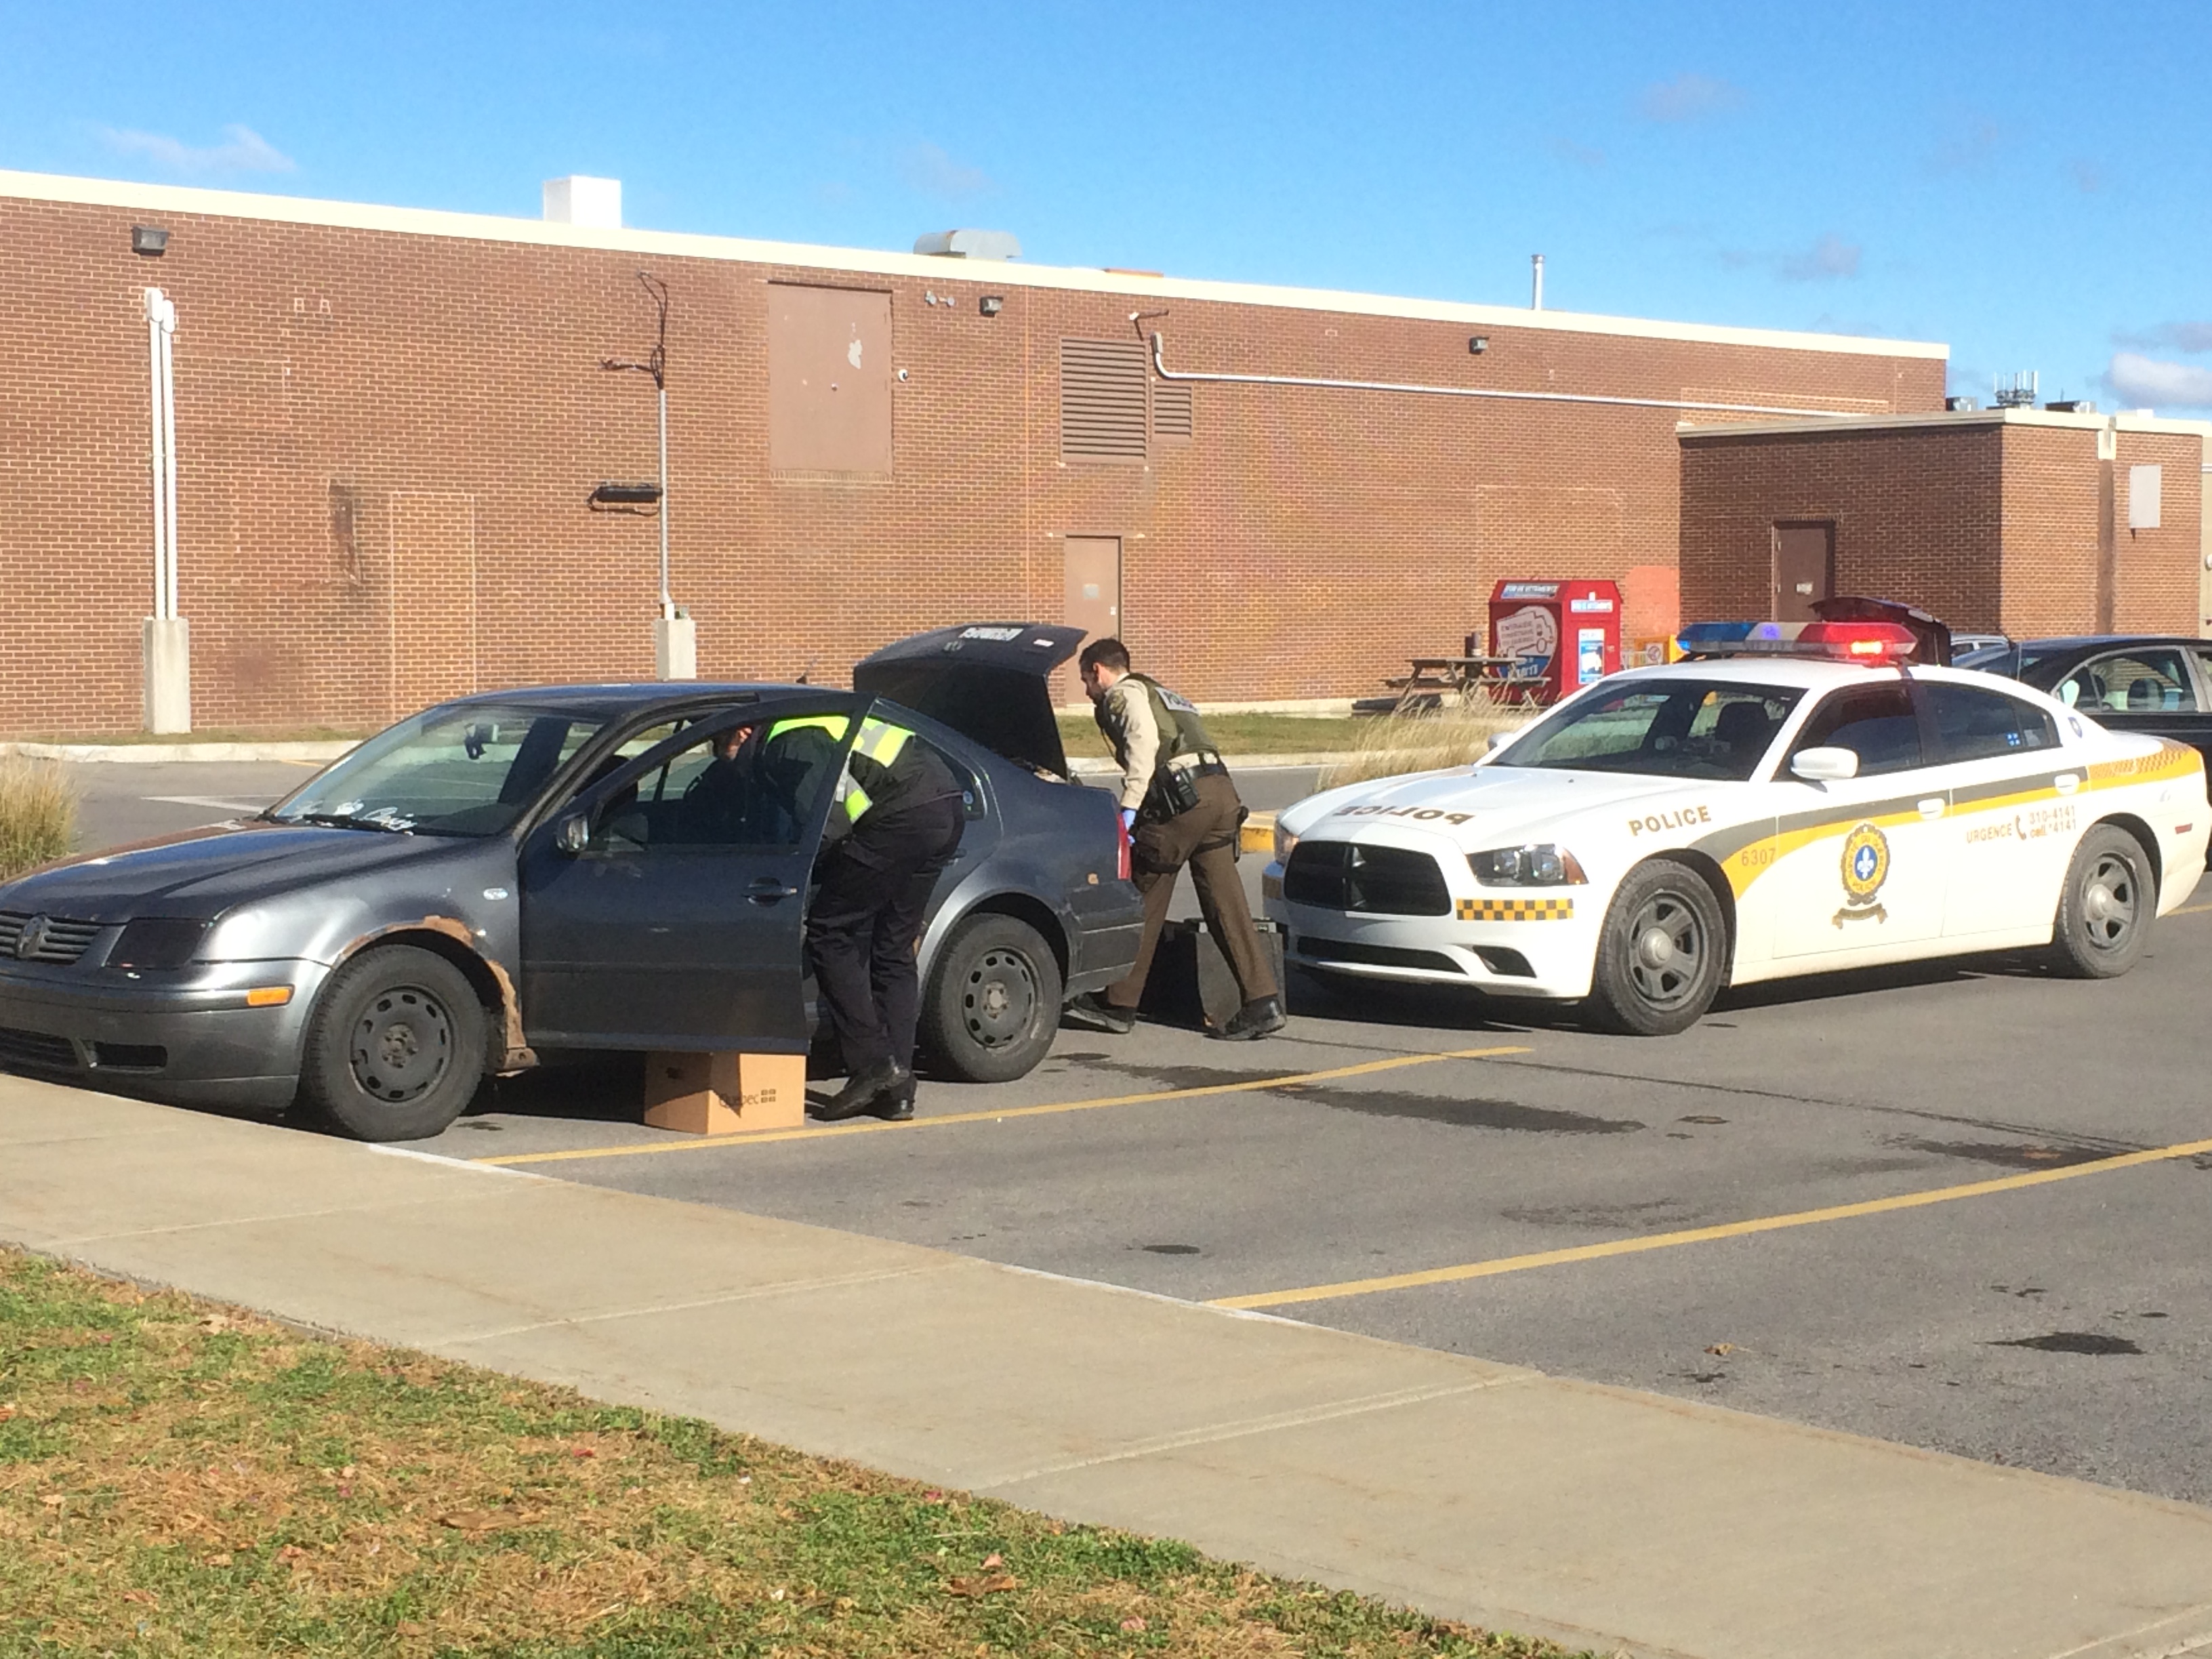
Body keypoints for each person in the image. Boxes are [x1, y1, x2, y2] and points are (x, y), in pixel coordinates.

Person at [1064, 638, 1285, 1041]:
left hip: (1180, 803)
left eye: (1085, 681)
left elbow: (1144, 743)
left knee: (1143, 891)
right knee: (1226, 903)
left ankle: (1118, 1004)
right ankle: (1261, 1001)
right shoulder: (1164, 693)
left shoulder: (1125, 693)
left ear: (1099, 671)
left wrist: (1129, 807)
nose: (1086, 691)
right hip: (1220, 796)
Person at [763, 710, 965, 1121]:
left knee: (828, 930)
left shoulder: (784, 741)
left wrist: (804, 872)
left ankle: (873, 1064)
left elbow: (828, 824)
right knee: (893, 947)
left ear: (743, 734)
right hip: (945, 805)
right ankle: (899, 1091)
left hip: (898, 816)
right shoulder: (827, 719)